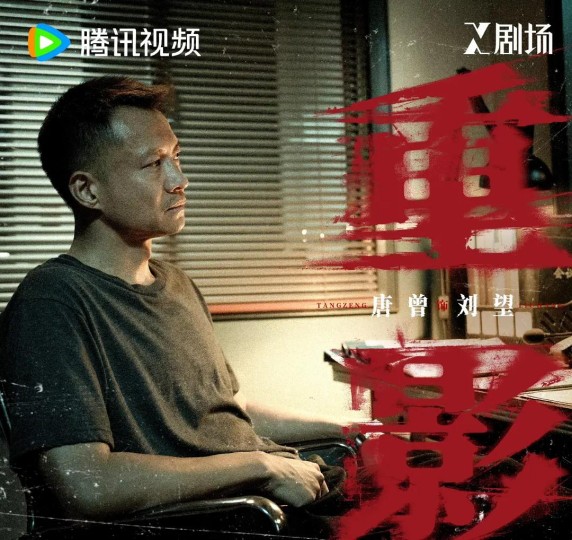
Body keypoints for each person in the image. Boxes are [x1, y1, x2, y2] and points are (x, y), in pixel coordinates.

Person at [0, 77, 356, 537]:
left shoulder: (177, 285)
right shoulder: (52, 302)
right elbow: (85, 483)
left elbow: (226, 411)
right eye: (154, 164)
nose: (179, 181)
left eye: (176, 157)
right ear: (87, 191)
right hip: (237, 516)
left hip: (288, 486)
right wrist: (260, 467)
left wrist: (346, 426)